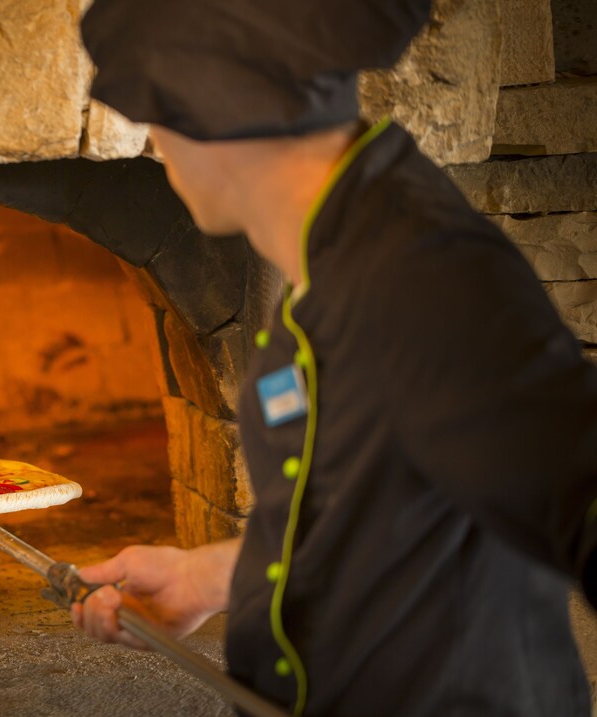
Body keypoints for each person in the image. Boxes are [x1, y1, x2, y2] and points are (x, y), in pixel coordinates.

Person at [71, 1, 597, 715]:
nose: (159, 144)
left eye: (159, 114)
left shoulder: (422, 278)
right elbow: (384, 517)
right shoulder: (336, 253)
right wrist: (212, 577)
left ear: (216, 107)